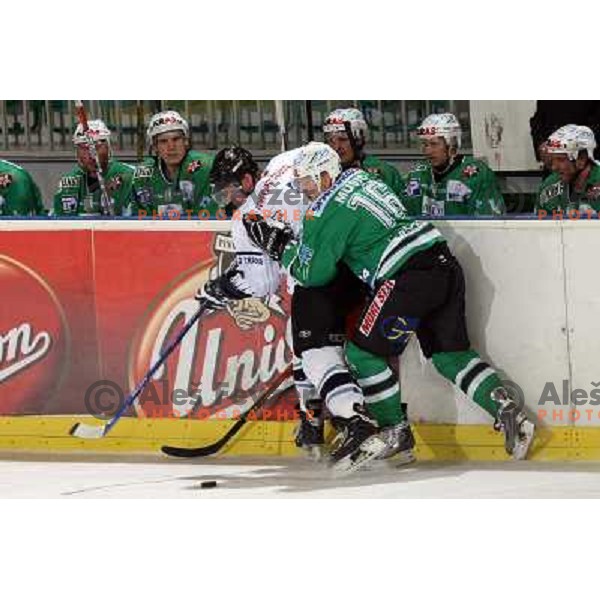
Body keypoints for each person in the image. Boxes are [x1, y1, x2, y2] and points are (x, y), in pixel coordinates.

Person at [243, 147, 536, 461]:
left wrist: (280, 246)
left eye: (309, 182)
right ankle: (508, 409)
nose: (305, 190)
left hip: (405, 280)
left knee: (361, 354)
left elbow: (313, 274)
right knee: (450, 357)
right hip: (443, 265)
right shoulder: (363, 178)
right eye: (300, 183)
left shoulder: (324, 210)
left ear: (326, 174)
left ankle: (394, 430)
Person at [196, 143, 387, 472]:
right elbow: (322, 153)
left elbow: (263, 283)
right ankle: (322, 419)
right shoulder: (282, 162)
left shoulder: (245, 218)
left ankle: (342, 418)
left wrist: (225, 287)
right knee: (323, 347)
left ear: (244, 181)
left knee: (310, 350)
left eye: (226, 191)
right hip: (358, 261)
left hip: (316, 274)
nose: (226, 200)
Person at [403, 113, 505, 217]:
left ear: (452, 145)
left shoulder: (476, 175)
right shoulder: (417, 176)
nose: (427, 151)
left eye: (434, 144)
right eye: (424, 144)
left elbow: (490, 223)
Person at [128, 110, 217, 217]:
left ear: (186, 141)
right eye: (163, 141)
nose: (171, 147)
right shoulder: (143, 175)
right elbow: (138, 222)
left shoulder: (204, 167)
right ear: (155, 147)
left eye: (176, 139)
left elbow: (208, 220)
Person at [53, 119, 134, 216]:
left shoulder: (130, 176)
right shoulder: (68, 182)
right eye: (84, 148)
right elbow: (59, 224)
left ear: (108, 147)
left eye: (97, 147)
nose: (91, 155)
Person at [323, 107, 405, 197]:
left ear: (359, 140)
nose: (336, 147)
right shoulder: (319, 173)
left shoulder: (384, 172)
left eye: (343, 139)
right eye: (331, 141)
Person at [535, 125, 600, 215]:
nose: (554, 167)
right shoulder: (548, 185)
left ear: (582, 158)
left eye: (561, 160)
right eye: (552, 160)